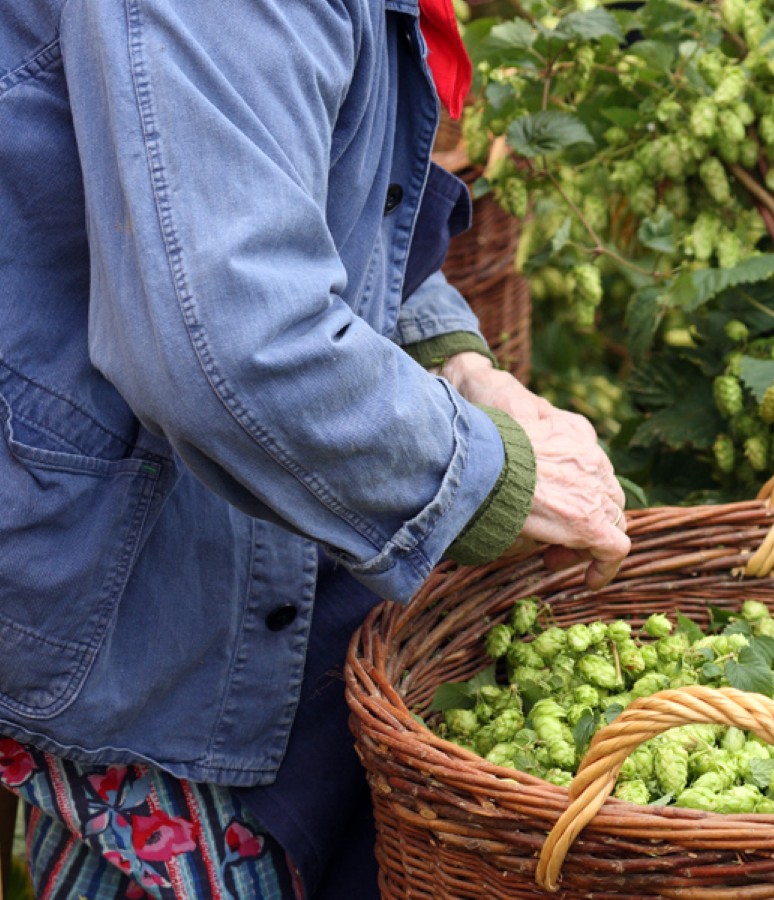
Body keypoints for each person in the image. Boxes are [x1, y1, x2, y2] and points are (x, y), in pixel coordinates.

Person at [0, 0, 630, 896]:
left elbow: (299, 180)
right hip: (134, 580)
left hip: (238, 535)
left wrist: (452, 358)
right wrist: (484, 479)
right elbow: (231, 346)